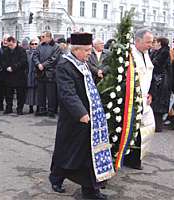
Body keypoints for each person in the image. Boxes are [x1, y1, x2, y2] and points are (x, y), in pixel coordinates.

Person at [49, 33, 115, 199]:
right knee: (67, 150)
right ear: (75, 49)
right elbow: (67, 93)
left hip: (90, 115)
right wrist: (81, 113)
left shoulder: (83, 63)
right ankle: (56, 177)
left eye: (90, 50)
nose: (89, 53)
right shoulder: (65, 65)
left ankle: (91, 189)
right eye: (86, 50)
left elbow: (91, 83)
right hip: (75, 117)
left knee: (87, 153)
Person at [124, 29, 155, 170]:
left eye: (152, 42)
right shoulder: (128, 54)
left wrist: (151, 93)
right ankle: (129, 158)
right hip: (131, 99)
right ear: (137, 41)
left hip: (144, 99)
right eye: (148, 42)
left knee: (147, 127)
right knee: (131, 130)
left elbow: (151, 75)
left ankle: (136, 158)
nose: (151, 45)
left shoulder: (147, 54)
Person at [33, 31, 61, 118]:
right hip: (40, 72)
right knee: (41, 92)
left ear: (48, 37)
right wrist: (38, 64)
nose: (41, 38)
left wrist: (43, 65)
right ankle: (42, 109)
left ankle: (51, 111)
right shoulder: (40, 46)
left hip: (51, 72)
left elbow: (54, 59)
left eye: (43, 36)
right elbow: (35, 56)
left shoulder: (56, 47)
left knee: (51, 93)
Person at [150, 37, 172, 132]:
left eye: (155, 42)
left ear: (160, 43)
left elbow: (155, 64)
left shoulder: (164, 53)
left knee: (158, 104)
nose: (153, 44)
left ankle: (158, 126)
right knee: (155, 104)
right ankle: (155, 125)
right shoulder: (157, 52)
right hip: (159, 80)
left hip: (162, 82)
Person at [2, 36, 28, 115]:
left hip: (19, 75)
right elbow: (2, 61)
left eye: (11, 45)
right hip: (8, 75)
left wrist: (13, 67)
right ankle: (9, 108)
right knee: (8, 94)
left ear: (15, 43)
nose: (10, 47)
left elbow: (23, 62)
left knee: (21, 94)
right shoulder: (6, 51)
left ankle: (19, 109)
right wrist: (6, 67)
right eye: (8, 45)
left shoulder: (21, 50)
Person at [25, 38, 39, 113]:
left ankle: (38, 107)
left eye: (36, 44)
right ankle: (30, 107)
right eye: (32, 44)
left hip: (37, 75)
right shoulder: (27, 53)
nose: (34, 45)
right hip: (29, 74)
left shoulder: (40, 52)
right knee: (30, 92)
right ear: (30, 45)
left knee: (37, 92)